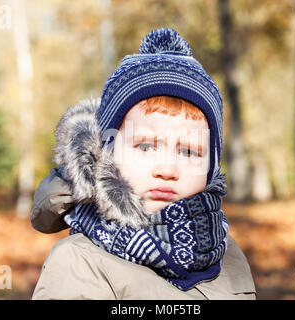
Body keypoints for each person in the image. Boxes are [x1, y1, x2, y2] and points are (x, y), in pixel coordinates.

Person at [31, 28, 256, 300]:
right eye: (146, 146)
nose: (168, 169)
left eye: (188, 151)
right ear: (107, 155)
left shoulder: (228, 256)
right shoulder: (79, 262)